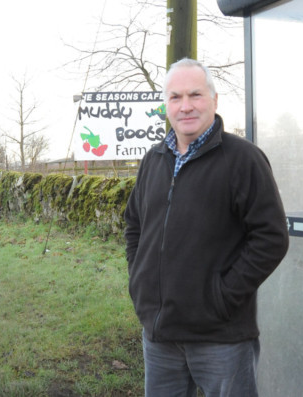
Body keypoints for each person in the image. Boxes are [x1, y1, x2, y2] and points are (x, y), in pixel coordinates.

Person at [123, 58, 289, 397]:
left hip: (220, 337)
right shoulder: (153, 160)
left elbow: (271, 237)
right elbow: (135, 226)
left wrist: (222, 298)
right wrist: (140, 281)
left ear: (214, 100)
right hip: (160, 336)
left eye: (195, 95)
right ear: (165, 104)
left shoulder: (243, 159)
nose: (186, 106)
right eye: (175, 97)